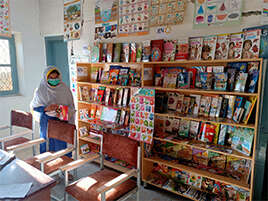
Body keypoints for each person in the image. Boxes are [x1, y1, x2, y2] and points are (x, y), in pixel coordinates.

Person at [30, 66, 75, 156]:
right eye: (51, 78)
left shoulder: (65, 89)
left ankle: (64, 166)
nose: (54, 80)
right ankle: (47, 166)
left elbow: (71, 107)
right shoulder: (41, 90)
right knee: (47, 145)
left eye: (56, 77)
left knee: (62, 145)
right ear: (46, 78)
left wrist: (63, 112)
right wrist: (46, 108)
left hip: (62, 121)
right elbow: (34, 107)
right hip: (47, 122)